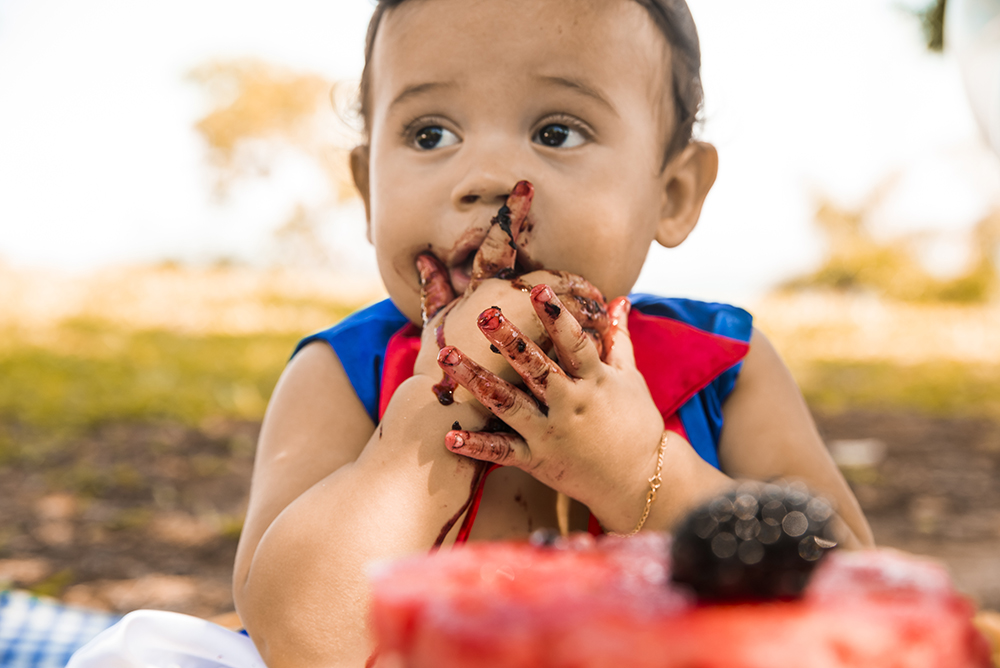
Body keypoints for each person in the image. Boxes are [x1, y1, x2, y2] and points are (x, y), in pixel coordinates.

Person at [71, 1, 874, 666]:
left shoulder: (721, 368)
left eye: (557, 131)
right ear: (365, 187)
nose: (485, 178)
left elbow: (853, 594)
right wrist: (427, 415)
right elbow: (299, 639)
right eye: (430, 135)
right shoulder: (342, 375)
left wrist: (642, 471)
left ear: (672, 192)